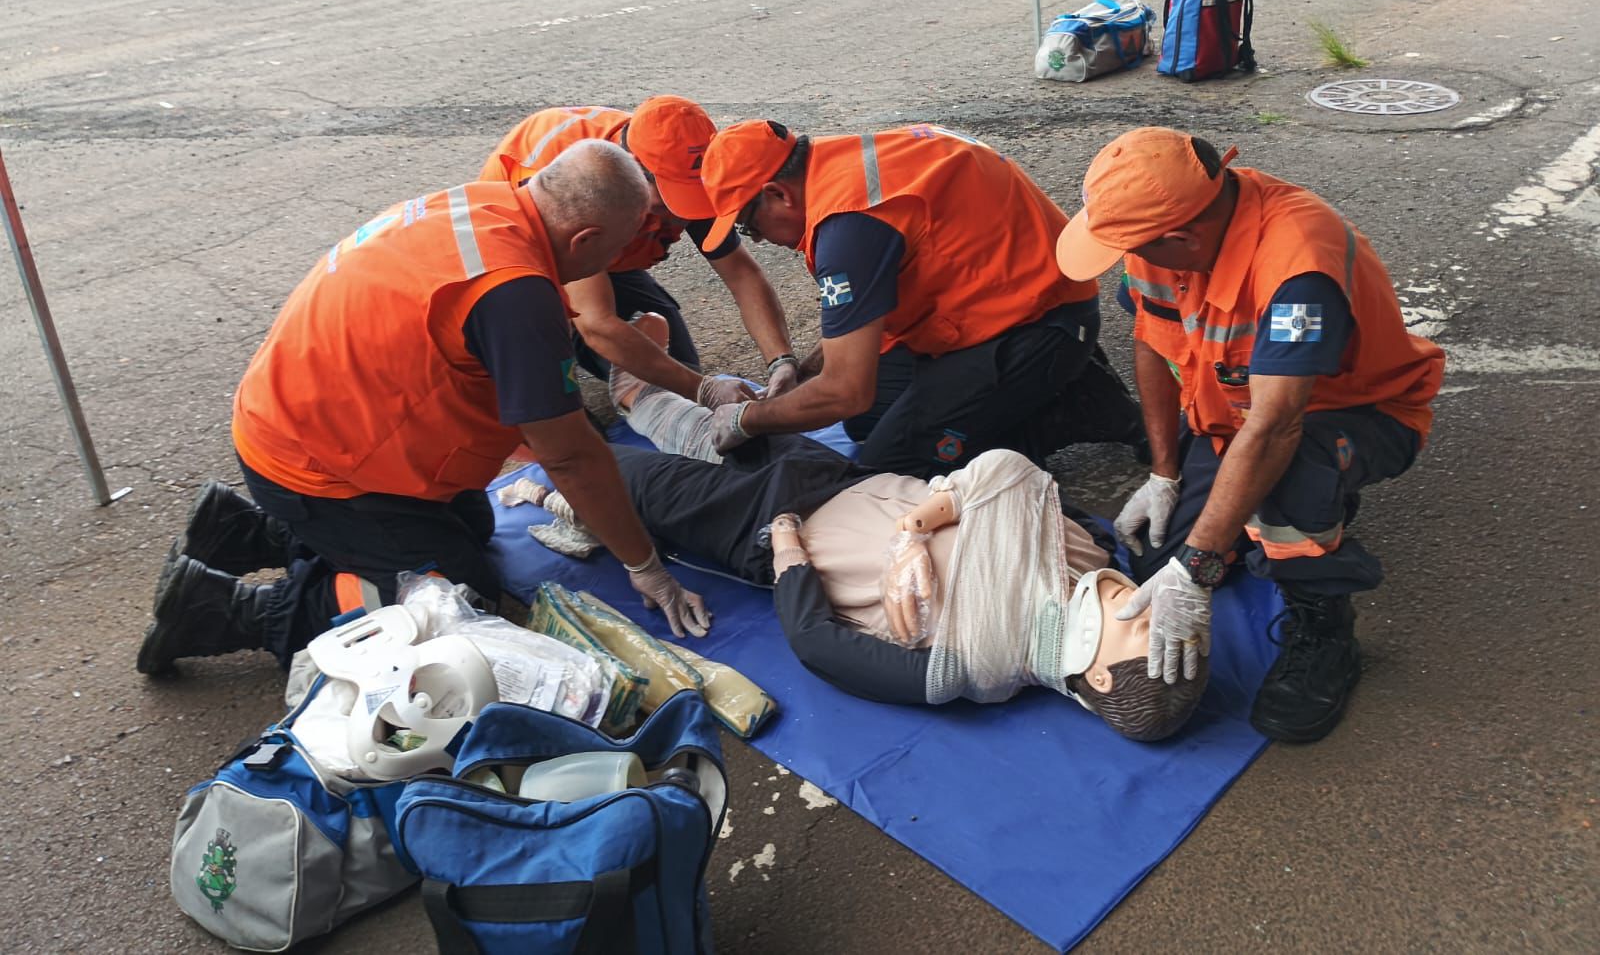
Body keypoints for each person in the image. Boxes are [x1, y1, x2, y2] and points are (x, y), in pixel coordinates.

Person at [137, 141, 712, 677]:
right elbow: (570, 457)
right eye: (617, 251)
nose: (620, 263)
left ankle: (239, 530)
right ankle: (223, 608)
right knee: (451, 601)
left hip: (300, 420)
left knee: (473, 524)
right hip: (318, 468)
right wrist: (645, 567)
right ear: (584, 239)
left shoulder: (490, 203)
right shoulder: (512, 292)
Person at [593, 315, 1207, 741]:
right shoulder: (1092, 557)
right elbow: (1011, 472)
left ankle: (543, 465)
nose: (1152, 609)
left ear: (1097, 675)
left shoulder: (970, 668)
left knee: (606, 472)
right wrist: (914, 530)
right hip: (841, 478)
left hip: (759, 523)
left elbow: (817, 643)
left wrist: (786, 547)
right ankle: (640, 396)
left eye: (1149, 631)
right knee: (721, 433)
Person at [1054, 127, 1445, 743]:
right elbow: (1153, 346)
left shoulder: (1298, 267)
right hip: (1234, 412)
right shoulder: (1159, 239)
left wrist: (1201, 566)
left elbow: (1277, 426)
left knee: (1285, 483)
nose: (1124, 260)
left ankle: (1326, 630)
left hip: (1355, 415)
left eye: (1130, 248)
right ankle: (1279, 518)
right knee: (1158, 557)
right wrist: (1163, 473)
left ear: (1182, 236)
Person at [693, 119, 1142, 478]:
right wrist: (800, 368)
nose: (758, 239)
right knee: (866, 422)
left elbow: (846, 391)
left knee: (894, 465)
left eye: (749, 226)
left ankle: (1067, 412)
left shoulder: (849, 225)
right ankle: (1052, 392)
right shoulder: (842, 164)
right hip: (1008, 299)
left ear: (776, 194)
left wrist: (747, 419)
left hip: (1037, 324)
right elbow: (861, 321)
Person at [481, 98, 800, 407]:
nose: (683, 216)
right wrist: (702, 389)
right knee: (566, 408)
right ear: (631, 174)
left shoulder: (682, 161)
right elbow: (597, 322)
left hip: (602, 248)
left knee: (676, 366)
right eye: (670, 203)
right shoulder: (588, 188)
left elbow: (742, 275)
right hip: (523, 266)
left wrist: (780, 361)